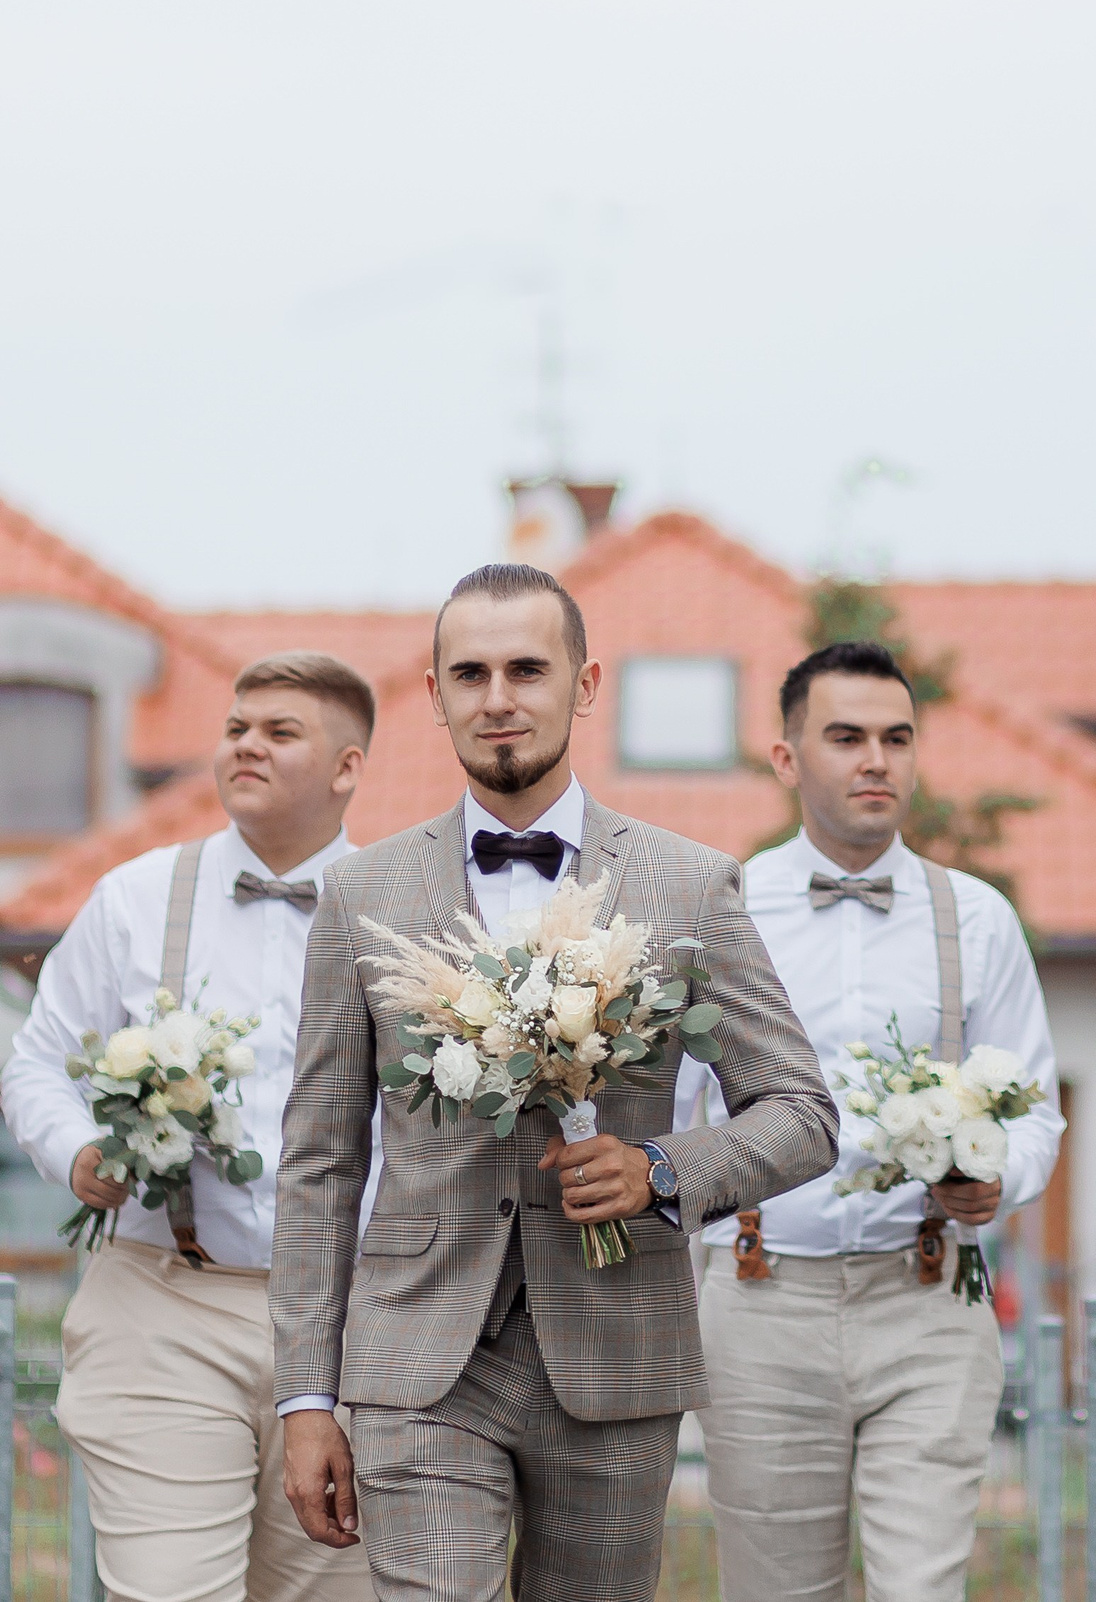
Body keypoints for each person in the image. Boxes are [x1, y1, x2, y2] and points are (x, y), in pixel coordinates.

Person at [270, 563, 839, 1602]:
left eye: (527, 669)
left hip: (616, 1347)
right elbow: (319, 1160)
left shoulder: (688, 883)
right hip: (419, 1357)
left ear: (583, 684)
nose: (498, 697)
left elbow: (802, 1112)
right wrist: (305, 1392)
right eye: (471, 672)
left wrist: (660, 1165)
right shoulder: (360, 894)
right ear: (433, 691)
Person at [675, 639, 1065, 1602]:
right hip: (760, 1302)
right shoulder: (720, 909)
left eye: (896, 737)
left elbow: (1038, 1113)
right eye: (846, 737)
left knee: (921, 1588)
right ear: (787, 758)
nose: (875, 759)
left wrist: (995, 1178)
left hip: (927, 1299)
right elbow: (677, 1118)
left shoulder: (975, 918)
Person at [0, 651, 381, 1602]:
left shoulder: (403, 912)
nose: (246, 744)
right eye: (236, 727)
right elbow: (36, 1062)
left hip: (355, 1323)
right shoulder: (135, 899)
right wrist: (79, 1150)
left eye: (280, 731)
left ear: (347, 767)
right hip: (164, 1303)